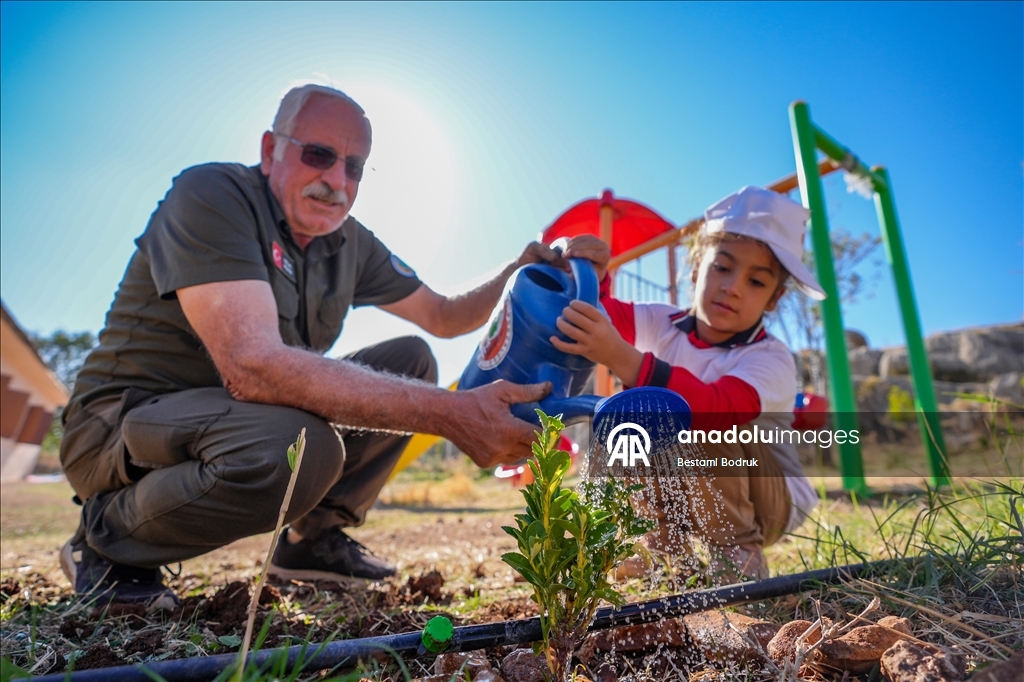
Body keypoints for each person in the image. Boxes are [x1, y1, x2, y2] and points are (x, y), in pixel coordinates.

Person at [59, 83, 560, 606]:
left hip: (230, 419)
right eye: (319, 154)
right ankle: (105, 538)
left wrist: (519, 268)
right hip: (121, 426)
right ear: (271, 149)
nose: (336, 180)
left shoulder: (350, 243)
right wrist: (452, 415)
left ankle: (311, 542)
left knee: (411, 359)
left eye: (355, 166)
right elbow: (252, 367)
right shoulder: (212, 194)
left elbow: (444, 315)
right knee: (302, 449)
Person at [554, 186, 823, 581]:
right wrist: (595, 280)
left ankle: (736, 558)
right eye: (723, 267)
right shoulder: (661, 323)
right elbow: (600, 316)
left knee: (706, 429)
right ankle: (666, 554)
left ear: (773, 299)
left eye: (756, 282)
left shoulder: (770, 357)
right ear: (697, 266)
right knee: (624, 426)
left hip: (768, 498)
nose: (733, 287)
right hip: (693, 483)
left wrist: (623, 357)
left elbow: (717, 408)